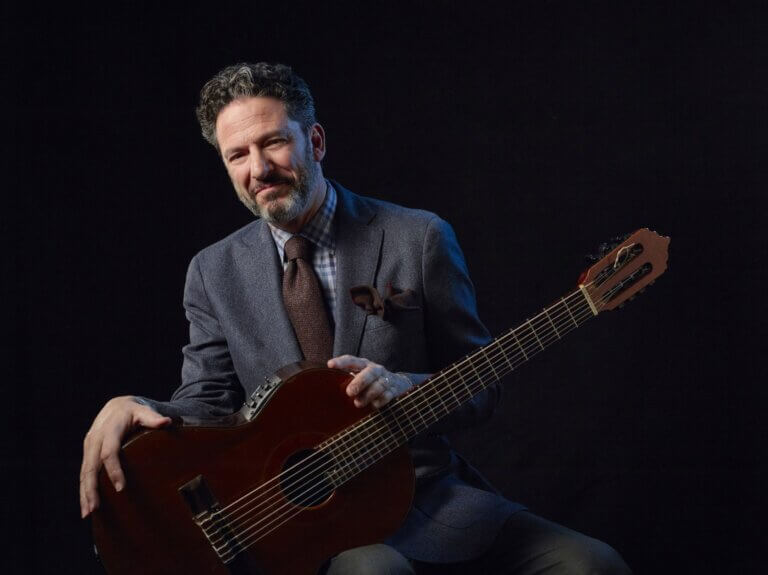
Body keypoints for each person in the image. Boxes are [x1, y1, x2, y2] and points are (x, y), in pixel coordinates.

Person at [79, 62, 631, 574]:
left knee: (592, 564)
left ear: (314, 141)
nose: (259, 168)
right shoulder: (212, 271)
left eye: (273, 141)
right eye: (237, 155)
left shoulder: (418, 238)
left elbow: (480, 387)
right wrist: (134, 406)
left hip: (423, 496)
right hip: (296, 523)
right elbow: (208, 406)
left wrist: (404, 386)